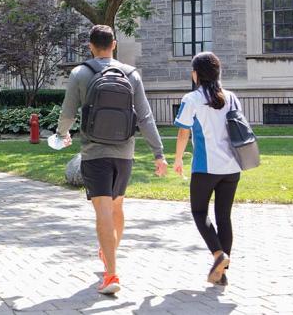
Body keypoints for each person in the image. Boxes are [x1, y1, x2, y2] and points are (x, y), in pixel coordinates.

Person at [56, 25, 167, 295]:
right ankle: (109, 256)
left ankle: (111, 274)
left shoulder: (80, 73)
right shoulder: (131, 75)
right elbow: (145, 118)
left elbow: (68, 113)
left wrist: (62, 134)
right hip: (124, 153)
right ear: (114, 44)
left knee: (103, 211)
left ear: (91, 46)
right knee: (117, 207)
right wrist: (159, 153)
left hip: (95, 153)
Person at [173, 52, 242, 286]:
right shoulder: (231, 97)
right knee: (224, 217)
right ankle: (221, 273)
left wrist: (178, 159)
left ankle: (217, 255)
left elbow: (183, 132)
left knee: (199, 212)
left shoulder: (191, 98)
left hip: (205, 167)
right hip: (232, 167)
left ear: (195, 74)